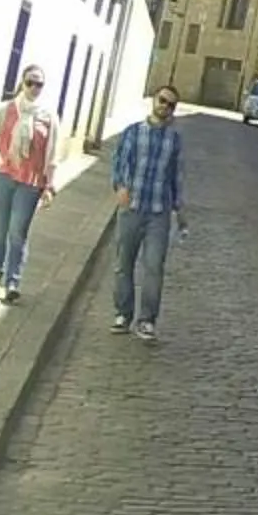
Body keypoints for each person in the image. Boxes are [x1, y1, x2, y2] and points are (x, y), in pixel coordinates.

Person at [108, 85, 187, 341]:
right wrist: (120, 186)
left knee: (154, 266)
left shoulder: (174, 140)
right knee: (123, 264)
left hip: (158, 213)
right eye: (163, 100)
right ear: (154, 101)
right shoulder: (133, 133)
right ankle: (123, 314)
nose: (165, 106)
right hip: (131, 208)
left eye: (171, 104)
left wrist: (179, 209)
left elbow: (176, 176)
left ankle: (147, 320)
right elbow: (120, 162)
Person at [0, 67, 60, 301]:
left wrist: (49, 185)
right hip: (2, 176)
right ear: (22, 83)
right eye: (30, 82)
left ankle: (12, 282)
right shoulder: (6, 110)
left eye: (39, 84)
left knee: (18, 232)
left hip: (30, 181)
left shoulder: (48, 116)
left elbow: (52, 153)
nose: (34, 88)